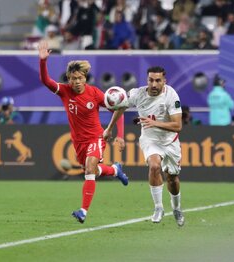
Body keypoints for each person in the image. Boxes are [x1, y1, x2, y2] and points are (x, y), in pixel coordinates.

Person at [38, 40, 128, 224]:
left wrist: (119, 134)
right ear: (68, 79)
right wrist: (43, 61)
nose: (77, 82)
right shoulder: (64, 92)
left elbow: (119, 109)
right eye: (73, 78)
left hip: (96, 137)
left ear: (85, 78)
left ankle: (83, 211)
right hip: (78, 142)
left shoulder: (94, 93)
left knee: (89, 169)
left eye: (80, 78)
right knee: (92, 171)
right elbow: (46, 81)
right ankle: (115, 170)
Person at [103, 66, 185, 227]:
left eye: (158, 81)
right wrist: (110, 129)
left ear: (164, 81)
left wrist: (154, 123)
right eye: (151, 80)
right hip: (150, 139)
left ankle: (176, 208)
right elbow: (121, 108)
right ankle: (158, 208)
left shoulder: (171, 95)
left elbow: (178, 126)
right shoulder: (138, 94)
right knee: (154, 166)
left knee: (173, 178)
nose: (154, 84)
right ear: (147, 80)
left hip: (170, 141)